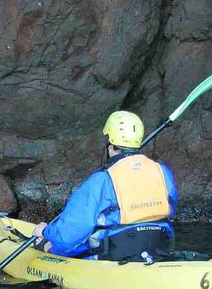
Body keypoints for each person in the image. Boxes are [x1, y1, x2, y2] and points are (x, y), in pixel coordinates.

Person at [30, 110, 178, 262]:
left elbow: (68, 236)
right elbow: (171, 209)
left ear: (110, 145)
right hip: (159, 249)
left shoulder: (101, 180)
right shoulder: (162, 171)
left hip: (115, 255)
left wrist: (46, 232)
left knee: (53, 245)